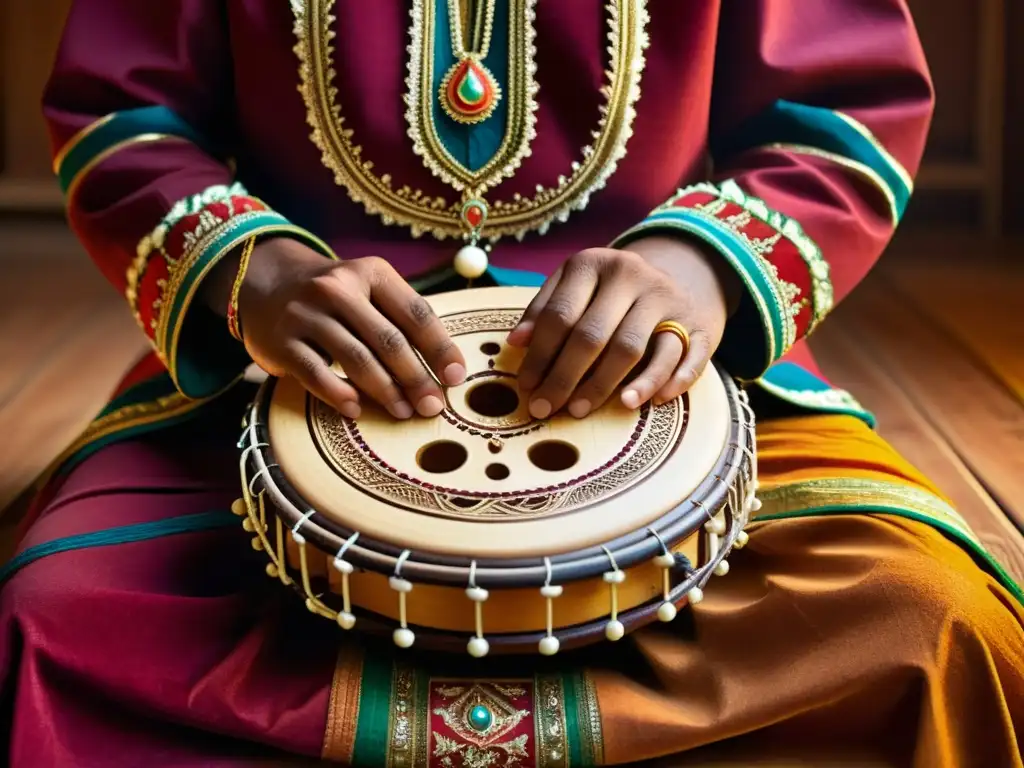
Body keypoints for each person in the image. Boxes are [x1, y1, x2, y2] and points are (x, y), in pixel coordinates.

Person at [3, 0, 1021, 765]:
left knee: (930, 623)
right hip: (285, 358)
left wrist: (704, 264)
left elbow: (840, 109)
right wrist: (249, 271)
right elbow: (123, 115)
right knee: (42, 633)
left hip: (665, 358)